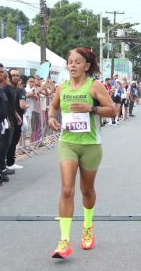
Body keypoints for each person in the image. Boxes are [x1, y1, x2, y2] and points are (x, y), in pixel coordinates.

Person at [47, 47, 116, 259]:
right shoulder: (63, 86)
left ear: (86, 66)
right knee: (67, 190)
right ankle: (64, 241)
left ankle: (87, 226)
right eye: (70, 62)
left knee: (86, 190)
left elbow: (113, 110)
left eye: (78, 62)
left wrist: (91, 108)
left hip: (90, 145)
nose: (73, 65)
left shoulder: (94, 85)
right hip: (67, 142)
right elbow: (54, 107)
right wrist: (51, 118)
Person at [5, 69, 27, 171]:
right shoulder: (9, 89)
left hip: (16, 119)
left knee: (13, 141)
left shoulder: (16, 89)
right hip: (10, 119)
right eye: (13, 75)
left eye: (17, 75)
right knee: (9, 142)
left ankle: (9, 162)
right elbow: (21, 105)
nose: (16, 77)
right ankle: (8, 163)